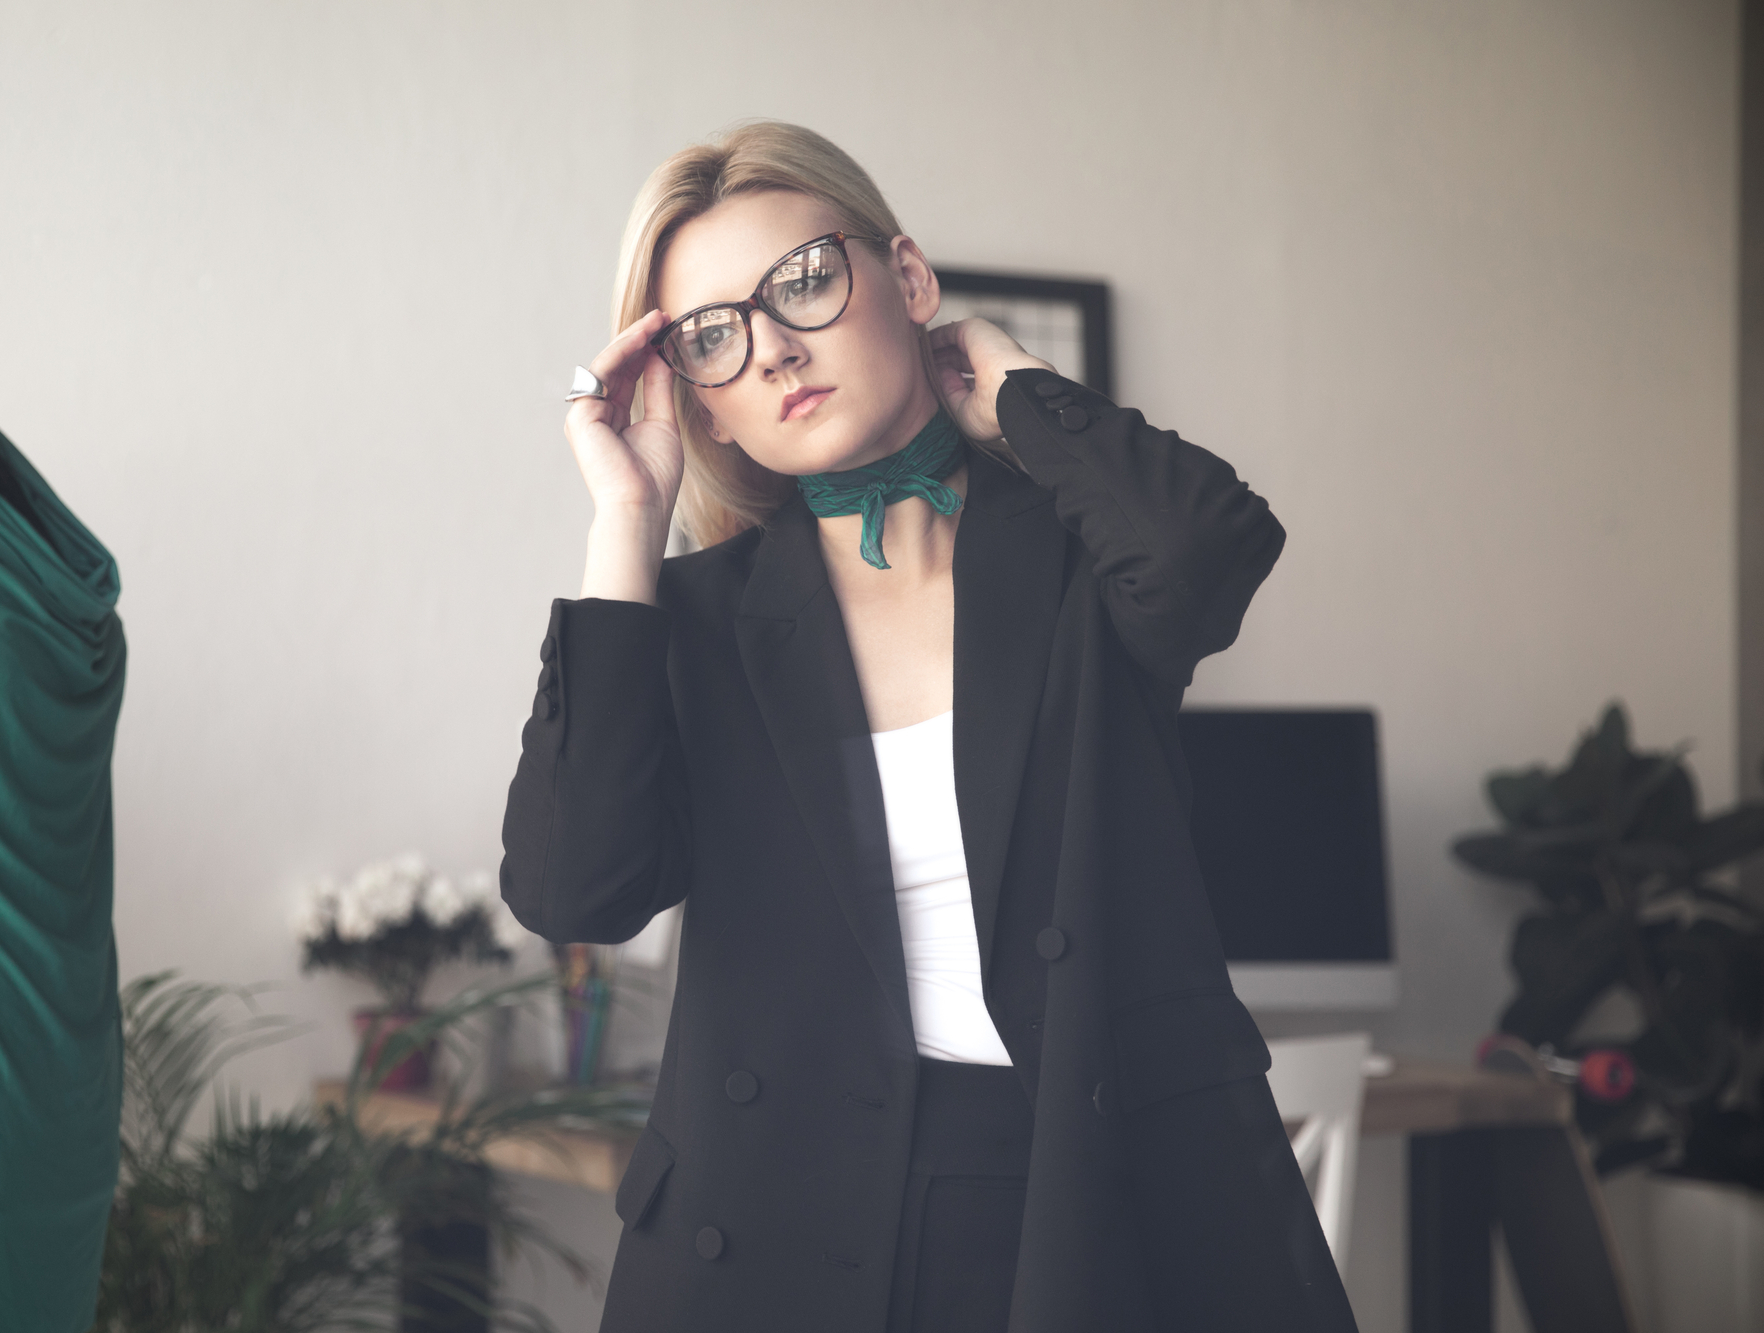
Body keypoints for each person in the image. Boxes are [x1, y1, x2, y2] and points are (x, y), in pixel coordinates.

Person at [500, 121, 1356, 1333]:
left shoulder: (1074, 563)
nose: (776, 347)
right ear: (705, 404)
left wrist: (1009, 389)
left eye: (803, 280)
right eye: (714, 336)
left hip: (1067, 1182)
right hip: (766, 1215)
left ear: (904, 280)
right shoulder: (690, 620)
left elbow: (1209, 547)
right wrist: (624, 525)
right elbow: (572, 888)